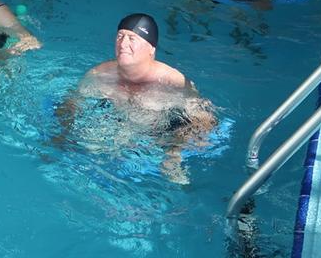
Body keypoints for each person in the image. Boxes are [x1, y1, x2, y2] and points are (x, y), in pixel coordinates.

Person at [56, 13, 216, 183]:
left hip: (158, 140)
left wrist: (174, 152)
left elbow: (205, 122)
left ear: (151, 49)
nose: (123, 44)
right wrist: (62, 135)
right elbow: (71, 103)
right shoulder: (100, 74)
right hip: (116, 130)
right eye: (120, 36)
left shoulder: (175, 83)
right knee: (90, 147)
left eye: (132, 38)